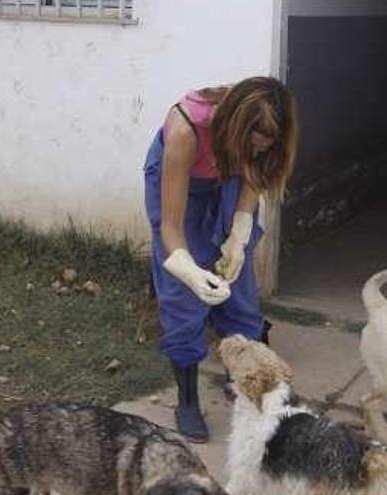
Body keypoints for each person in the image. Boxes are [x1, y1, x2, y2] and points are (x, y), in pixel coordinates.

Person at [143, 77, 298, 442]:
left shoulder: (257, 139)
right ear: (235, 126)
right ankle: (186, 400)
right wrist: (190, 271)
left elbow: (252, 180)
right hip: (183, 180)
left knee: (238, 286)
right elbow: (171, 226)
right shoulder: (186, 130)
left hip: (225, 171)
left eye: (268, 142)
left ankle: (245, 379)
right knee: (184, 297)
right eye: (255, 140)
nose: (260, 147)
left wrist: (238, 236)